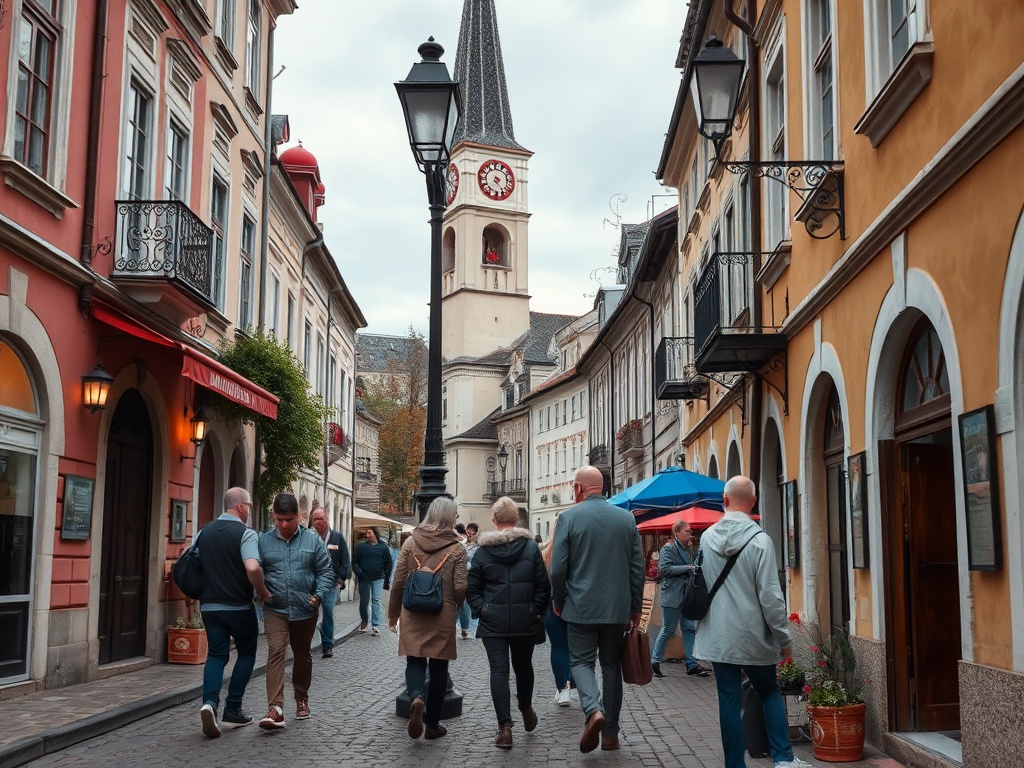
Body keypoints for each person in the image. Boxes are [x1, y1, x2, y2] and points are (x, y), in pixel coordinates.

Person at [693, 476, 811, 768]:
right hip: (752, 634)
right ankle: (783, 758)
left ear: (724, 500)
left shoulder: (706, 538)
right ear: (754, 502)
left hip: (719, 634)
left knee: (728, 699)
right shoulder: (760, 540)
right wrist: (783, 639)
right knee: (769, 691)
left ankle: (734, 765)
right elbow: (770, 597)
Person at [550, 466, 644, 754]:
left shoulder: (568, 518)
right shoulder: (626, 519)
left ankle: (593, 710)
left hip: (580, 606)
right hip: (617, 608)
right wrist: (635, 607)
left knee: (581, 662)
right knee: (611, 666)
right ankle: (611, 735)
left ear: (578, 488)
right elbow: (637, 568)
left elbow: (557, 569)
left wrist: (558, 600)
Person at [466, 497, 551, 749]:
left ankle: (504, 727)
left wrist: (482, 609)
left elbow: (472, 588)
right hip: (525, 619)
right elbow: (543, 585)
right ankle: (526, 708)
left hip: (493, 621)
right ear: (516, 519)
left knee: (499, 672)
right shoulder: (531, 548)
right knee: (523, 667)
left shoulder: (482, 551)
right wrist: (535, 611)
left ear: (494, 520)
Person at [388, 497, 467, 742]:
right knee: (439, 667)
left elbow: (398, 582)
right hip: (442, 612)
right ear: (450, 518)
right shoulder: (457, 548)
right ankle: (432, 724)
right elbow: (461, 586)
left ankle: (416, 697)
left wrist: (393, 614)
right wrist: (457, 603)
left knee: (414, 660)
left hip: (412, 611)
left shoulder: (410, 542)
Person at [197, 487, 271, 738]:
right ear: (240, 507)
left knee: (216, 655)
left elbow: (191, 561)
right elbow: (252, 567)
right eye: (248, 505)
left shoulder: (204, 531)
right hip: (238, 607)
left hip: (209, 606)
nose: (249, 510)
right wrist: (262, 591)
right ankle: (232, 710)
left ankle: (209, 703)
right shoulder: (245, 533)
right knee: (247, 653)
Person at [257, 493, 334, 729]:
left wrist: (318, 596)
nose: (284, 524)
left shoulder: (312, 540)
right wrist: (259, 592)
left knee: (302, 655)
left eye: (289, 520)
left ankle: (301, 698)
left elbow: (326, 571)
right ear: (273, 516)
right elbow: (255, 570)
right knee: (275, 651)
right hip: (275, 608)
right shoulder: (263, 541)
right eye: (279, 519)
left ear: (298, 517)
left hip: (305, 608)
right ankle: (275, 708)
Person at [651, 519, 710, 678]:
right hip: (672, 595)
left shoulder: (690, 549)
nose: (690, 534)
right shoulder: (668, 548)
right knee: (668, 629)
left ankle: (691, 663)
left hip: (687, 595)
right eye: (687, 531)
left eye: (690, 531)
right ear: (677, 533)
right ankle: (655, 660)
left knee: (689, 628)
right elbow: (665, 569)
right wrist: (687, 567)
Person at [539, 518, 575, 707]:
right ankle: (572, 682)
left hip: (550, 605)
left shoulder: (544, 553)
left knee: (559, 647)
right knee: (576, 647)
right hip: (575, 604)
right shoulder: (577, 550)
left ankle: (563, 689)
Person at [309, 506, 350, 659]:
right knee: (310, 611)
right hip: (312, 582)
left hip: (330, 582)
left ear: (326, 519)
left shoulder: (337, 538)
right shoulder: (310, 537)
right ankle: (307, 643)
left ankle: (327, 645)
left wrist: (341, 577)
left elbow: (345, 559)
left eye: (320, 519)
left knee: (327, 610)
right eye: (314, 519)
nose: (317, 522)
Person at [353, 526, 392, 636]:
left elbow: (389, 563)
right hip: (364, 578)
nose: (367, 535)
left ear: (375, 533)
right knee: (364, 601)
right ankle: (364, 622)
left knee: (376, 601)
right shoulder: (361, 547)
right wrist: (359, 573)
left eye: (369, 532)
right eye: (366, 533)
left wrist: (384, 574)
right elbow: (354, 562)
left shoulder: (383, 547)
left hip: (378, 578)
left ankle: (375, 625)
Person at [457, 522, 480, 639]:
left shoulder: (477, 547)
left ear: (475, 534)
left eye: (472, 532)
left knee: (462, 601)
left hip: (468, 576)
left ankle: (465, 627)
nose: (470, 534)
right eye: (469, 531)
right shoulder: (459, 543)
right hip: (456, 574)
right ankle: (461, 627)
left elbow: (474, 563)